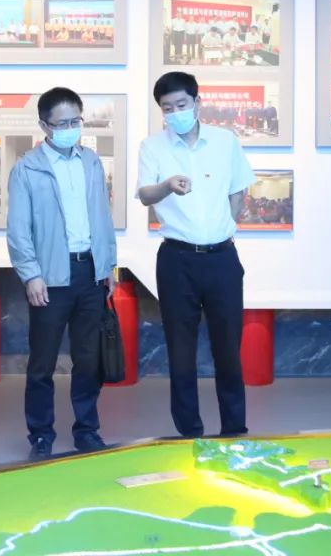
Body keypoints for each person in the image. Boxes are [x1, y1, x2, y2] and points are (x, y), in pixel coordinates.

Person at [137, 72, 256, 438]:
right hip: (177, 260)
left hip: (222, 259)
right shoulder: (153, 147)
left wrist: (223, 227)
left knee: (228, 349)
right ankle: (189, 431)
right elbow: (145, 195)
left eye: (181, 104)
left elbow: (238, 190)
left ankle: (234, 428)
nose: (175, 112)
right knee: (181, 350)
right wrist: (167, 185)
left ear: (197, 103)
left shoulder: (225, 141)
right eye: (167, 108)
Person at [7, 87, 117, 461]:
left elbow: (102, 217)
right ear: (44, 126)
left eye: (75, 121)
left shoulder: (91, 162)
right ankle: (41, 434)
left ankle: (87, 430)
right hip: (50, 276)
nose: (70, 129)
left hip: (90, 272)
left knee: (88, 359)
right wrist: (30, 274)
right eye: (62, 123)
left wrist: (108, 264)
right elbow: (19, 229)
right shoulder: (27, 168)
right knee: (43, 362)